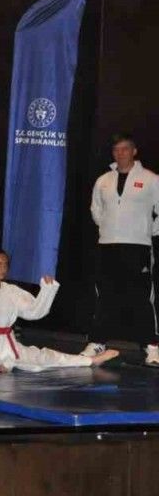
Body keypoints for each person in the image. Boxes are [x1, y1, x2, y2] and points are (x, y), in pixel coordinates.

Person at [82, 134, 159, 365]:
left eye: (125, 149)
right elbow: (96, 210)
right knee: (105, 296)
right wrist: (108, 228)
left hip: (137, 246)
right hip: (107, 246)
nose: (120, 153)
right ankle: (97, 342)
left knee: (140, 297)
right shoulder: (103, 180)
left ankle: (151, 345)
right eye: (116, 149)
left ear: (134, 151)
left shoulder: (151, 179)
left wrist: (149, 230)